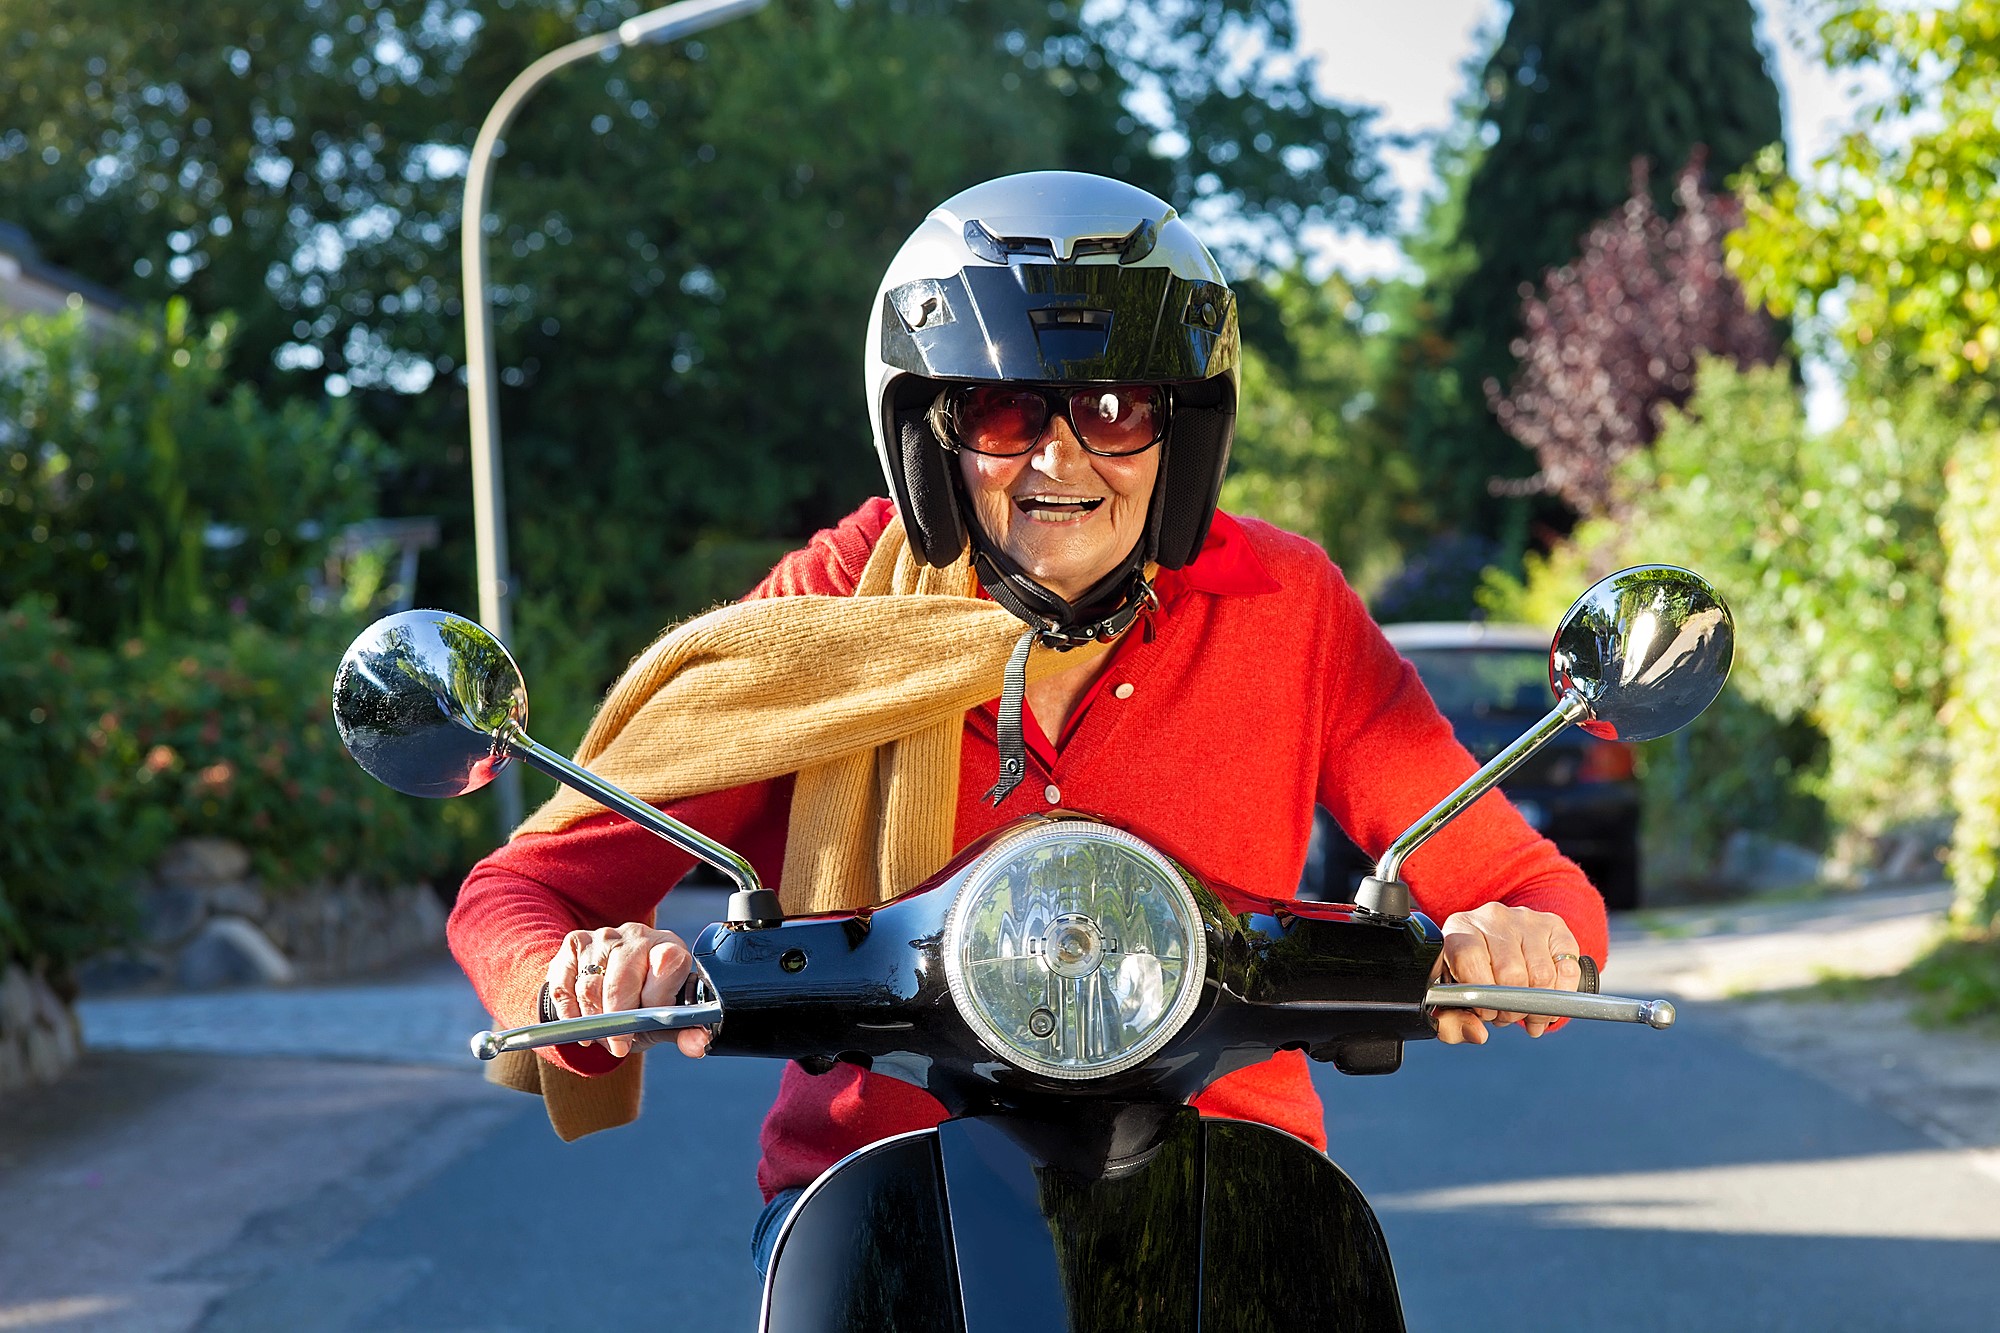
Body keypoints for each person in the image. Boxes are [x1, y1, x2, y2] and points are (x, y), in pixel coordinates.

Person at [447, 171, 1606, 1279]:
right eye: (1001, 412)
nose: (1061, 458)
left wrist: (1514, 932)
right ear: (930, 436)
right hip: (880, 1203)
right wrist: (580, 981)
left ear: (1182, 433)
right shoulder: (831, 617)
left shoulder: (1285, 606)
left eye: (1115, 410)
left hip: (1229, 1208)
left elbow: (1538, 886)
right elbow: (521, 895)